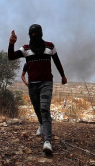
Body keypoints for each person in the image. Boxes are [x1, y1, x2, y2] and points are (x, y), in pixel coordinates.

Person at [8, 24, 67, 154]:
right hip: (33, 85)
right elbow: (11, 56)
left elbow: (57, 61)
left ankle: (47, 141)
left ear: (41, 34)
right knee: (37, 108)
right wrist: (11, 43)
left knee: (45, 109)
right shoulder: (26, 49)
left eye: (37, 34)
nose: (34, 36)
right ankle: (41, 125)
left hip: (46, 83)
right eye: (32, 34)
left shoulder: (50, 46)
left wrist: (63, 75)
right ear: (29, 35)